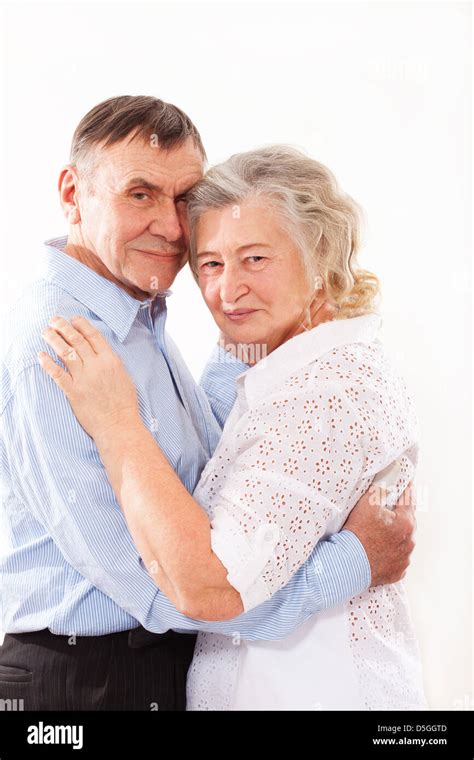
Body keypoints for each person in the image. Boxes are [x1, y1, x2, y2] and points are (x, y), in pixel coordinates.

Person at [39, 144, 426, 710]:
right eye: (212, 265)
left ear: (319, 255)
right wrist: (352, 561)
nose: (227, 291)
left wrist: (118, 423)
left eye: (256, 259)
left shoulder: (324, 393)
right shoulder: (283, 362)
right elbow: (223, 453)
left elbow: (207, 587)